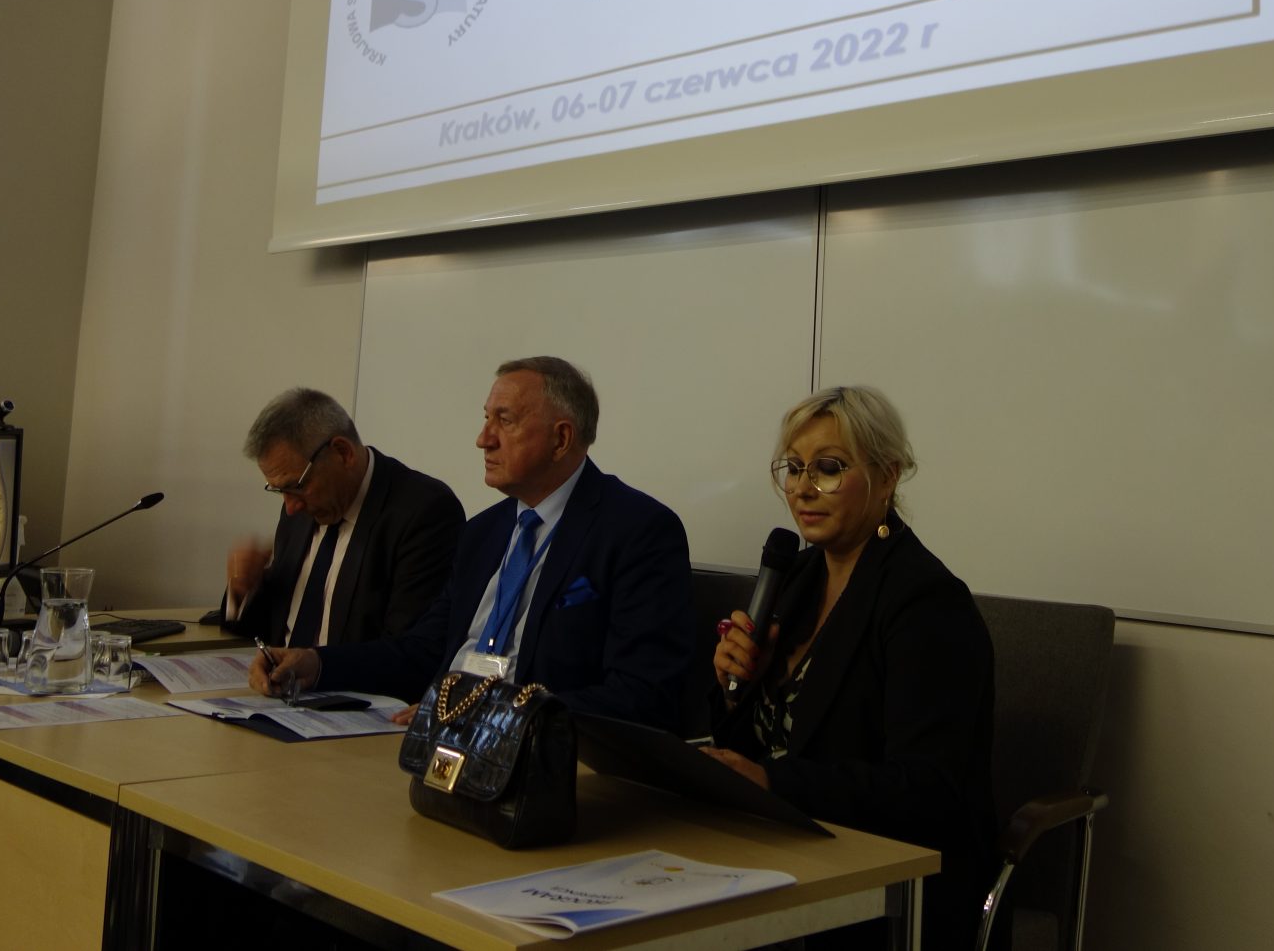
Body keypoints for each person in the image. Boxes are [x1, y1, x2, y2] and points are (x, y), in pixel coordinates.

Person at [705, 385, 1000, 950]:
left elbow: (927, 790)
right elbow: (755, 746)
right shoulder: (795, 580)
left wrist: (773, 782)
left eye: (829, 468)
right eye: (794, 468)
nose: (803, 488)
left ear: (887, 478)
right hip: (781, 853)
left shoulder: (926, 603)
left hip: (887, 889)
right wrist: (735, 689)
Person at [252, 357, 695, 732]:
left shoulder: (638, 531)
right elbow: (423, 649)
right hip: (440, 738)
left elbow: (642, 693)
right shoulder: (484, 532)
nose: (484, 438)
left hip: (536, 755)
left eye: (505, 420)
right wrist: (317, 665)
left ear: (561, 439)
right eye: (486, 419)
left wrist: (495, 714)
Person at [223, 387, 463, 649]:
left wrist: (314, 666)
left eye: (297, 486)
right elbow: (272, 625)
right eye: (280, 490)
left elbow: (408, 650)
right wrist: (244, 587)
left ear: (343, 452)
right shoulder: (302, 509)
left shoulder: (424, 512)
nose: (290, 507)